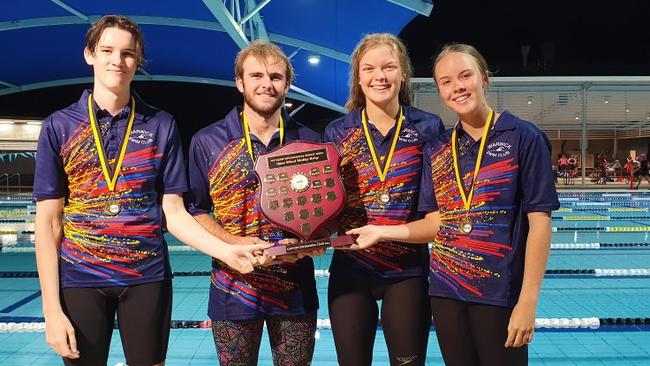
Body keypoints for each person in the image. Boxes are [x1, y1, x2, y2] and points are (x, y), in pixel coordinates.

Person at [33, 15, 265, 366]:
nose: (117, 60)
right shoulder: (59, 126)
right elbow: (49, 223)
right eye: (107, 50)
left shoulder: (160, 124)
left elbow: (174, 211)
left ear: (137, 60)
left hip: (147, 277)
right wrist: (51, 309)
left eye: (128, 53)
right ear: (89, 55)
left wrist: (225, 250)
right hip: (80, 276)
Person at [348, 43, 559, 366]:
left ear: (484, 78)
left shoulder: (523, 137)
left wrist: (528, 302)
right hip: (445, 294)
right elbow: (435, 223)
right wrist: (381, 231)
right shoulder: (438, 148)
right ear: (440, 91)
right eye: (446, 81)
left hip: (499, 293)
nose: (457, 87)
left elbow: (540, 222)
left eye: (465, 76)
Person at [185, 40, 324, 366]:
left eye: (276, 76)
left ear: (287, 84)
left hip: (294, 289)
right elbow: (196, 210)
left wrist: (310, 243)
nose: (266, 84)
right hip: (232, 286)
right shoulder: (209, 141)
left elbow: (325, 213)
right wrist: (233, 243)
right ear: (240, 82)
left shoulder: (309, 142)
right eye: (257, 75)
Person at [323, 33, 444, 366]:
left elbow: (434, 219)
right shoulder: (337, 132)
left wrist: (382, 231)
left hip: (406, 273)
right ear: (358, 78)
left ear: (403, 73)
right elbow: (328, 209)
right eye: (370, 69)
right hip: (350, 270)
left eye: (389, 67)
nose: (380, 76)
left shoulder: (428, 127)